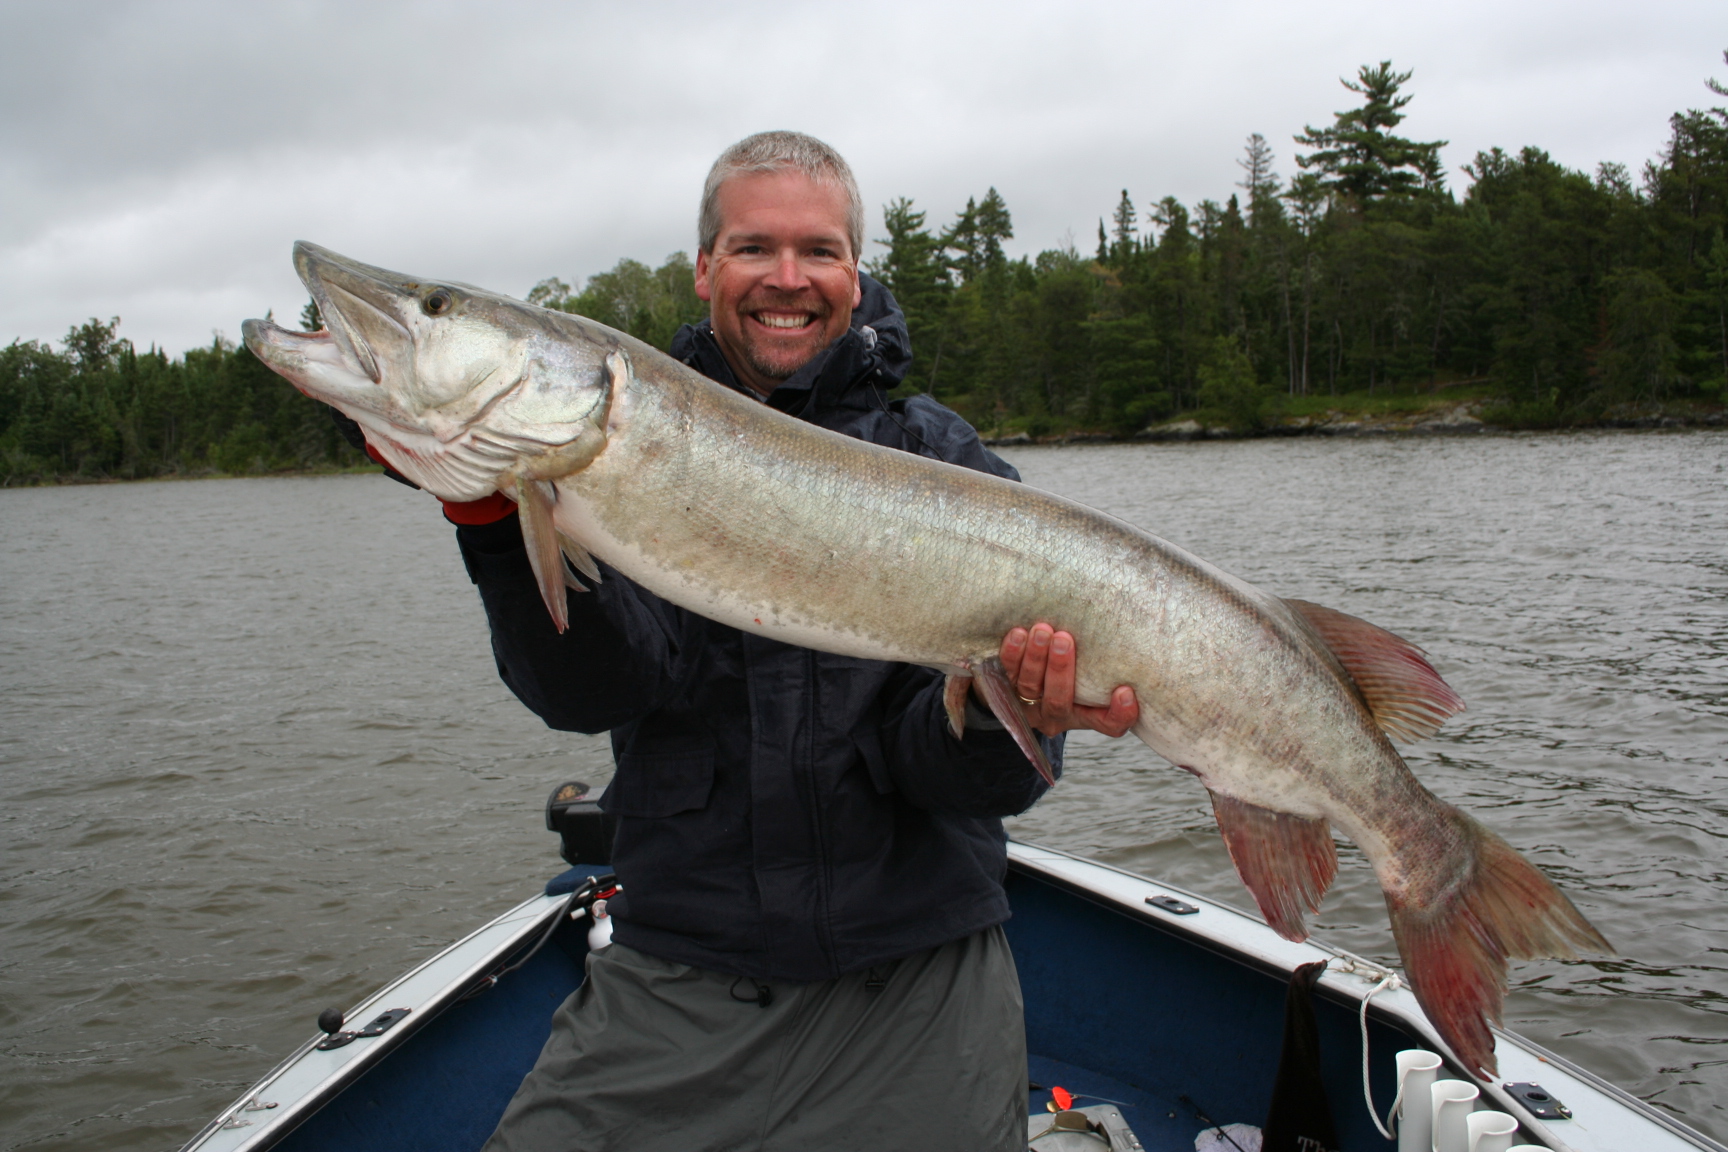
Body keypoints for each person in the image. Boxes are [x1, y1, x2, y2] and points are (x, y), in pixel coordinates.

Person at [436, 131, 1138, 1152]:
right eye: (754, 247)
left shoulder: (940, 458)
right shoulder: (615, 448)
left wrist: (1003, 717)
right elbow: (592, 690)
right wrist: (492, 526)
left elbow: (981, 779)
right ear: (706, 268)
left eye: (819, 251)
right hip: (681, 969)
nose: (788, 278)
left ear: (856, 274)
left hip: (917, 975)